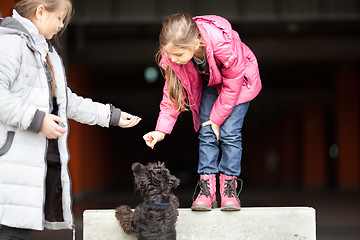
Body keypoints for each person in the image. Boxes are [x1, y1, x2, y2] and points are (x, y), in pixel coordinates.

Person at [0, 0, 141, 239]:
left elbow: (67, 101)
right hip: (11, 163)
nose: (62, 24)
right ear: (41, 12)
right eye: (60, 18)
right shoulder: (10, 42)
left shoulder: (48, 53)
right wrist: (38, 120)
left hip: (26, 169)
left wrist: (112, 116)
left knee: (17, 233)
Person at [143, 13, 261, 211]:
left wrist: (217, 118)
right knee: (206, 134)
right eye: (170, 54)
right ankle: (207, 191)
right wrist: (161, 130)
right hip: (212, 84)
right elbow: (172, 93)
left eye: (178, 55)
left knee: (229, 133)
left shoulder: (223, 43)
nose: (173, 59)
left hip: (240, 84)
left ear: (195, 44)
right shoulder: (172, 55)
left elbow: (233, 85)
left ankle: (229, 191)